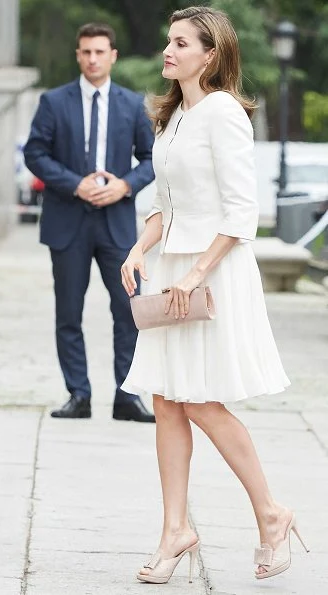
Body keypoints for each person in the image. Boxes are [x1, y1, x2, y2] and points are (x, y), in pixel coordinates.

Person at [120, 6, 309, 584]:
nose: (168, 51)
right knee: (166, 401)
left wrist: (197, 271)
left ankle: (272, 514)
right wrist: (139, 249)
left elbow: (240, 211)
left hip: (211, 273)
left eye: (181, 43)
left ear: (211, 54)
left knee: (200, 399)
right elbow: (166, 203)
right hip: (172, 268)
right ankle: (175, 529)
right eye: (168, 42)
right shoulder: (174, 115)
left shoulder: (224, 113)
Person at [24, 23, 156, 422]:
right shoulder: (53, 101)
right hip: (68, 222)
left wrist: (125, 186)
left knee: (127, 312)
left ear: (113, 55)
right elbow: (36, 153)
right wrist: (73, 185)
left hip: (116, 224)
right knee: (68, 314)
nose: (92, 59)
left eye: (99, 51)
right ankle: (78, 394)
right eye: (85, 52)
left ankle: (126, 397)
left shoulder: (133, 104)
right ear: (78, 55)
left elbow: (152, 159)